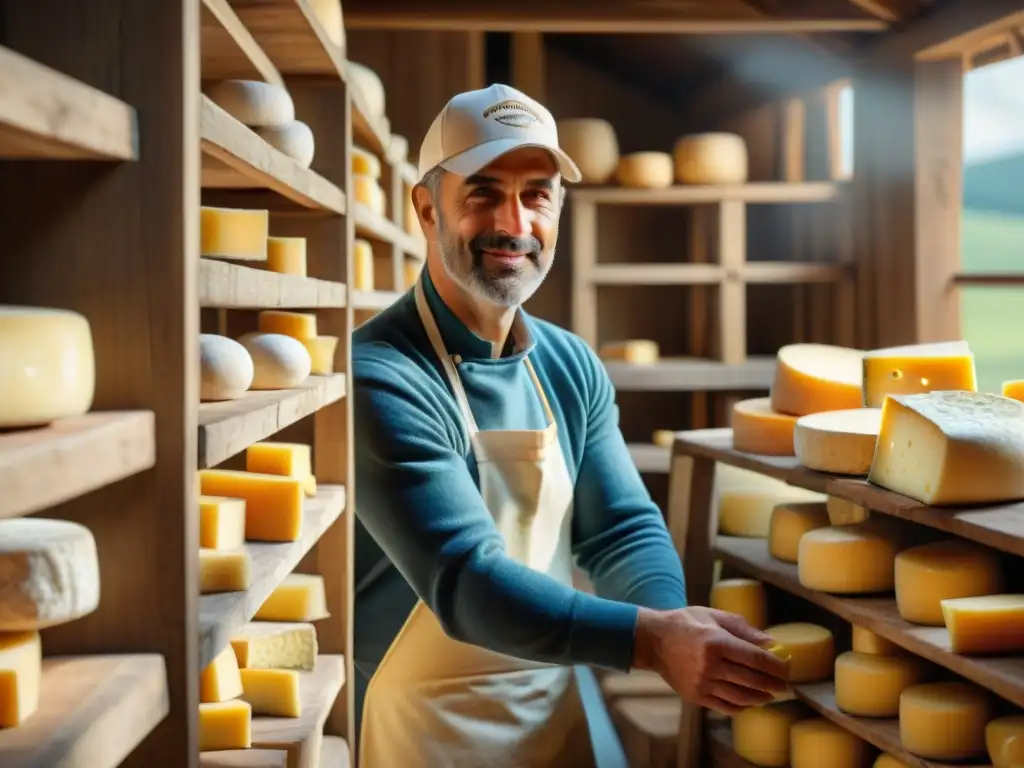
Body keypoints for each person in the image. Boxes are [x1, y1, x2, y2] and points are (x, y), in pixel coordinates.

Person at [351, 83, 788, 767]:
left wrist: (670, 622)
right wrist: (649, 642)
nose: (515, 223)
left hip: (551, 711)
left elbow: (619, 528)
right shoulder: (381, 375)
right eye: (483, 193)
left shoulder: (566, 363)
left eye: (538, 195)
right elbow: (468, 581)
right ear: (425, 208)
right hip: (414, 732)